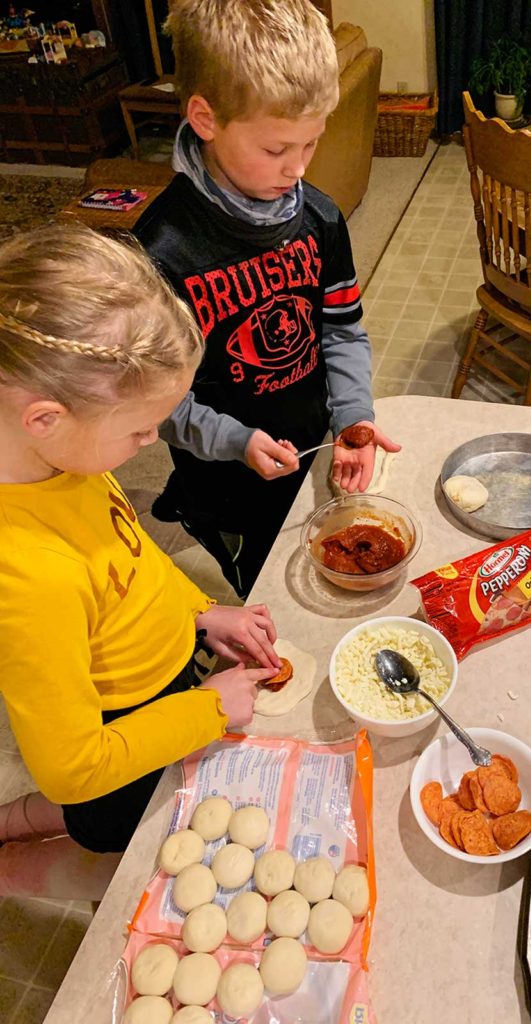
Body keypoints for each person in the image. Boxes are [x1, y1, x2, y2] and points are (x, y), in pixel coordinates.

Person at [0, 223, 283, 898]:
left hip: (160, 684)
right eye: (137, 429)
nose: (153, 439)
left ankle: (11, 821)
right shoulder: (29, 576)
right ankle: (13, 872)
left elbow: (130, 557)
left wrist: (200, 612)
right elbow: (75, 769)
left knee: (77, 813)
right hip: (118, 738)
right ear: (45, 416)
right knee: (110, 838)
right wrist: (210, 710)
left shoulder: (55, 459)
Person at [134, 0, 399, 599]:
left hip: (309, 447)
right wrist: (233, 440)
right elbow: (154, 403)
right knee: (261, 583)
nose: (298, 170)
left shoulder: (320, 218)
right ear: (204, 118)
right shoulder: (160, 252)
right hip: (223, 477)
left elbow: (341, 330)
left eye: (310, 145)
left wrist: (354, 413)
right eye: (277, 150)